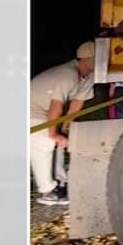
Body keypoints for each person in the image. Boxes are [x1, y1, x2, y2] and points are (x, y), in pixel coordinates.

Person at [28, 41, 97, 206]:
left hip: (43, 112)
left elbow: (76, 104)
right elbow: (56, 107)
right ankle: (47, 192)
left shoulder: (88, 76)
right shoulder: (68, 74)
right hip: (28, 109)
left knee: (59, 142)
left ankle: (60, 183)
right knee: (45, 141)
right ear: (86, 59)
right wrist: (53, 133)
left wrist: (64, 129)